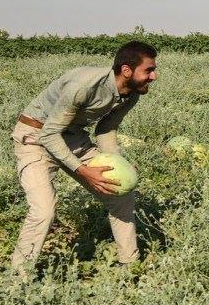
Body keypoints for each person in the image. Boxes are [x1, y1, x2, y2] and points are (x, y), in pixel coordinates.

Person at [9, 41, 158, 273]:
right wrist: (82, 170)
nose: (154, 76)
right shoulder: (84, 85)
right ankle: (18, 279)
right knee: (44, 210)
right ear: (127, 70)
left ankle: (130, 267)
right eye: (148, 70)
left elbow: (106, 130)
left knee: (121, 195)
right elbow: (49, 134)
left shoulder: (131, 94)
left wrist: (118, 163)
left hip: (72, 137)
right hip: (36, 137)